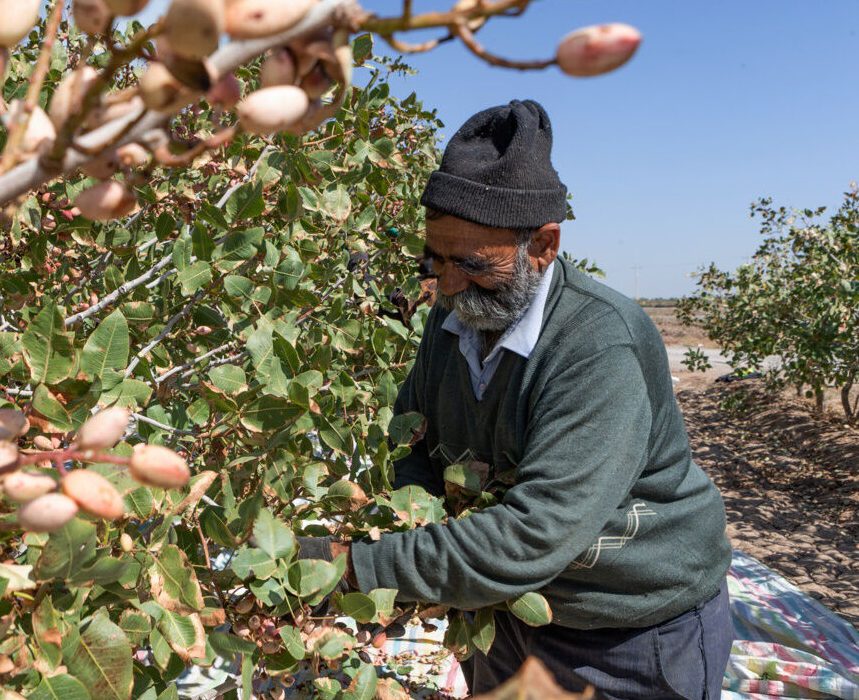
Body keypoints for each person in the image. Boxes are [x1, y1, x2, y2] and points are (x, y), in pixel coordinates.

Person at [298, 99, 734, 699]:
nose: (446, 284)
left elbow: (535, 535)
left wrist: (352, 566)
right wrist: (408, 551)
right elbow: (413, 443)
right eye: (436, 259)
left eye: (472, 264)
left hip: (628, 632)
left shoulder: (598, 343)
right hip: (506, 614)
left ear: (544, 245)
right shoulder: (450, 320)